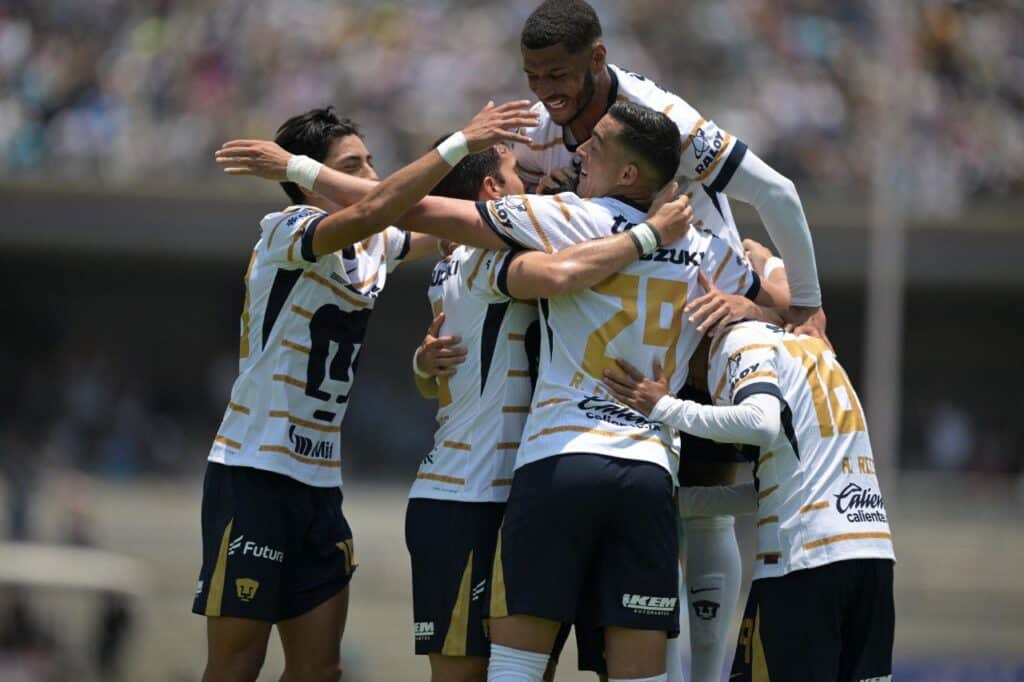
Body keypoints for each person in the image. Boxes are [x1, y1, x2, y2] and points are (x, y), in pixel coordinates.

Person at [512, 3, 827, 676]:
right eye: (534, 75)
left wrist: (805, 303)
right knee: (658, 520)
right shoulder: (538, 128)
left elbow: (777, 193)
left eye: (559, 74)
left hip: (699, 314)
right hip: (607, 338)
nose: (546, 91)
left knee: (709, 500)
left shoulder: (663, 120)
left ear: (598, 59)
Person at [193, 100, 537, 682]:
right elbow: (382, 206)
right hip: (252, 473)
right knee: (236, 665)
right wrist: (459, 141)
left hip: (320, 483)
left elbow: (457, 222)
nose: (372, 177)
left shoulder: (376, 244)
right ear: (307, 181)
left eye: (371, 163)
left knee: (321, 670)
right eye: (353, 166)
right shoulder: (287, 231)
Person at [407, 139, 693, 682]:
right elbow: (563, 275)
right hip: (468, 495)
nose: (537, 183)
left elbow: (437, 378)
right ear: (493, 193)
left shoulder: (455, 261)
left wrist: (422, 367)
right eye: (522, 173)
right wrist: (650, 234)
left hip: (527, 485)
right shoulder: (487, 257)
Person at [603, 315, 896, 682]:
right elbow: (781, 487)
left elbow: (761, 423)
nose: (687, 383)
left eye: (681, 364)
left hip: (803, 565)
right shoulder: (808, 348)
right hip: (872, 556)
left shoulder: (739, 340)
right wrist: (682, 503)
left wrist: (664, 407)